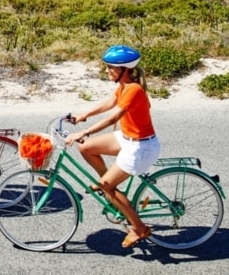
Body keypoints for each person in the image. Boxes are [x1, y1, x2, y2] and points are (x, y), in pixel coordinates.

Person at [64, 45, 160, 248]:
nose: (107, 71)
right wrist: (84, 115)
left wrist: (84, 131)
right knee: (86, 148)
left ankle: (139, 229)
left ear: (124, 70)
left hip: (141, 147)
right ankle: (109, 183)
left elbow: (114, 116)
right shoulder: (125, 85)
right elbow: (111, 102)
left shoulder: (134, 89)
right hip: (128, 138)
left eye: (111, 68)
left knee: (107, 187)